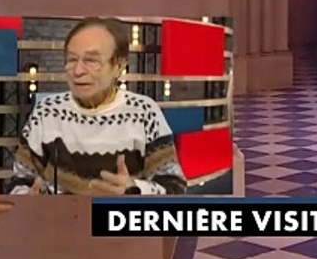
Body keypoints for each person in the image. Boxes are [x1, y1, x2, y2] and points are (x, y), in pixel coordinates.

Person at [9, 17, 187, 195]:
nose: (78, 71)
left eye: (91, 61)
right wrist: (28, 199)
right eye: (72, 60)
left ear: (118, 66)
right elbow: (20, 180)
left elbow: (175, 189)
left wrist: (135, 192)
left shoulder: (144, 113)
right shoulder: (46, 112)